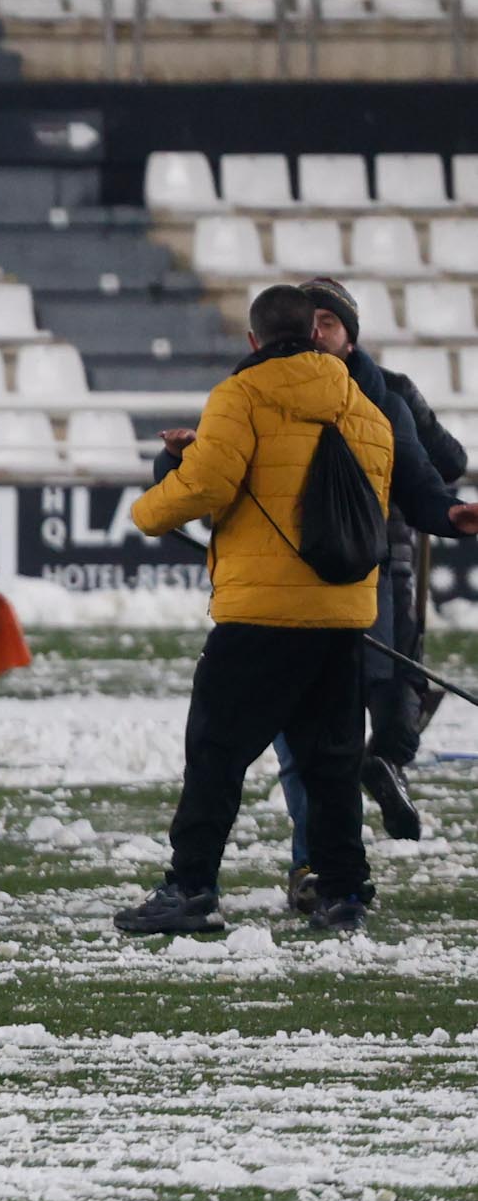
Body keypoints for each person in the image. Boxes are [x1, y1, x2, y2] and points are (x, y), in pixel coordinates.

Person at [113, 282, 421, 940]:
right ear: (317, 331)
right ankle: (344, 895)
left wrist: (146, 509)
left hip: (259, 615)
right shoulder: (365, 408)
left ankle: (191, 887)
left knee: (216, 754)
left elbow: (210, 484)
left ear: (253, 340)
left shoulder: (242, 394)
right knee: (331, 763)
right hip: (342, 616)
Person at [270, 278, 470, 876]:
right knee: (308, 731)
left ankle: (377, 776)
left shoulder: (391, 394)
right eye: (308, 320)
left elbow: (447, 464)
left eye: (329, 322)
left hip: (379, 566)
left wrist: (438, 500)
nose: (316, 331)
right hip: (288, 578)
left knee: (388, 687)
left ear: (350, 336)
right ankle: (320, 861)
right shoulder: (257, 390)